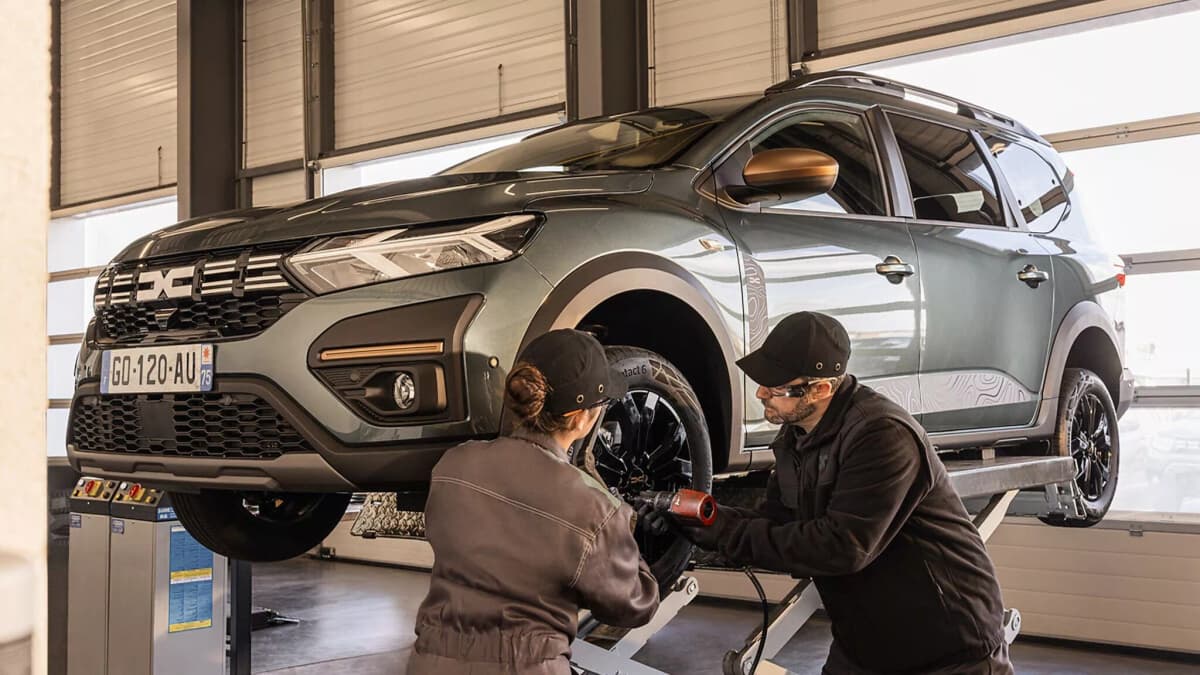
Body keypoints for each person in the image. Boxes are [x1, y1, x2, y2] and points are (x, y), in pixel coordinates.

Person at [645, 312, 1013, 674]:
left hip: (949, 651)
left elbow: (842, 547)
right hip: (867, 647)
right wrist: (694, 522)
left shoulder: (882, 436)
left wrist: (725, 532)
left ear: (821, 388)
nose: (761, 394)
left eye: (775, 388)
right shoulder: (795, 437)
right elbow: (775, 522)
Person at [408, 329, 660, 675]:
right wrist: (631, 541)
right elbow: (633, 605)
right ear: (581, 417)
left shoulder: (452, 466)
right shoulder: (593, 508)